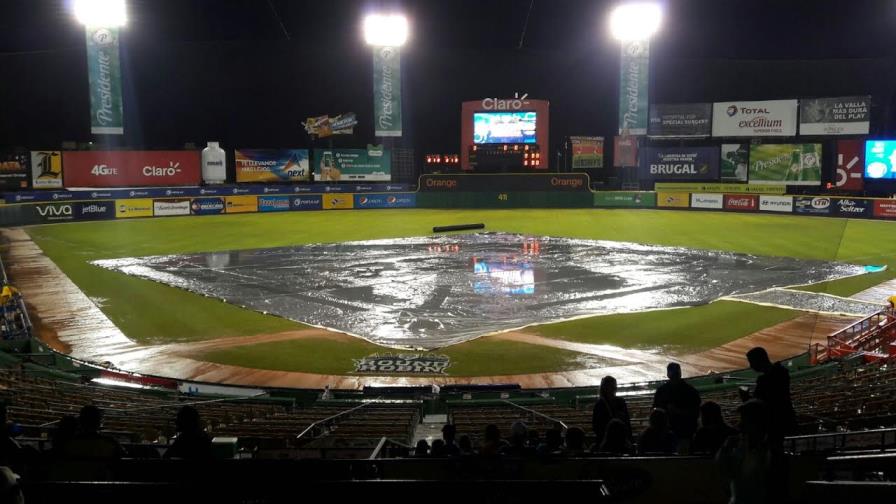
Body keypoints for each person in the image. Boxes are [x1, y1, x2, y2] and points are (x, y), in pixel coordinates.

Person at [717, 400, 781, 504]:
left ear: (758, 424)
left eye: (745, 421)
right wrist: (725, 448)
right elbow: (727, 472)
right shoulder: (742, 448)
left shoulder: (770, 452)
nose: (740, 426)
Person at [739, 347, 796, 448]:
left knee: (774, 450)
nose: (751, 366)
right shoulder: (782, 371)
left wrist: (745, 397)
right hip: (785, 417)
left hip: (772, 422)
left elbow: (758, 405)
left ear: (759, 360)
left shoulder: (764, 380)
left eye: (751, 362)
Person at [652, 362, 701, 453]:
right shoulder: (691, 390)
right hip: (683, 432)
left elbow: (655, 411)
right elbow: (696, 412)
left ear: (667, 374)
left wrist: (677, 411)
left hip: (677, 433)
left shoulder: (661, 390)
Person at [592, 376, 631, 444]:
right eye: (613, 386)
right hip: (616, 440)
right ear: (606, 388)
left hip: (609, 441)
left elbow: (596, 427)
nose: (615, 388)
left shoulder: (600, 404)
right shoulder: (620, 401)